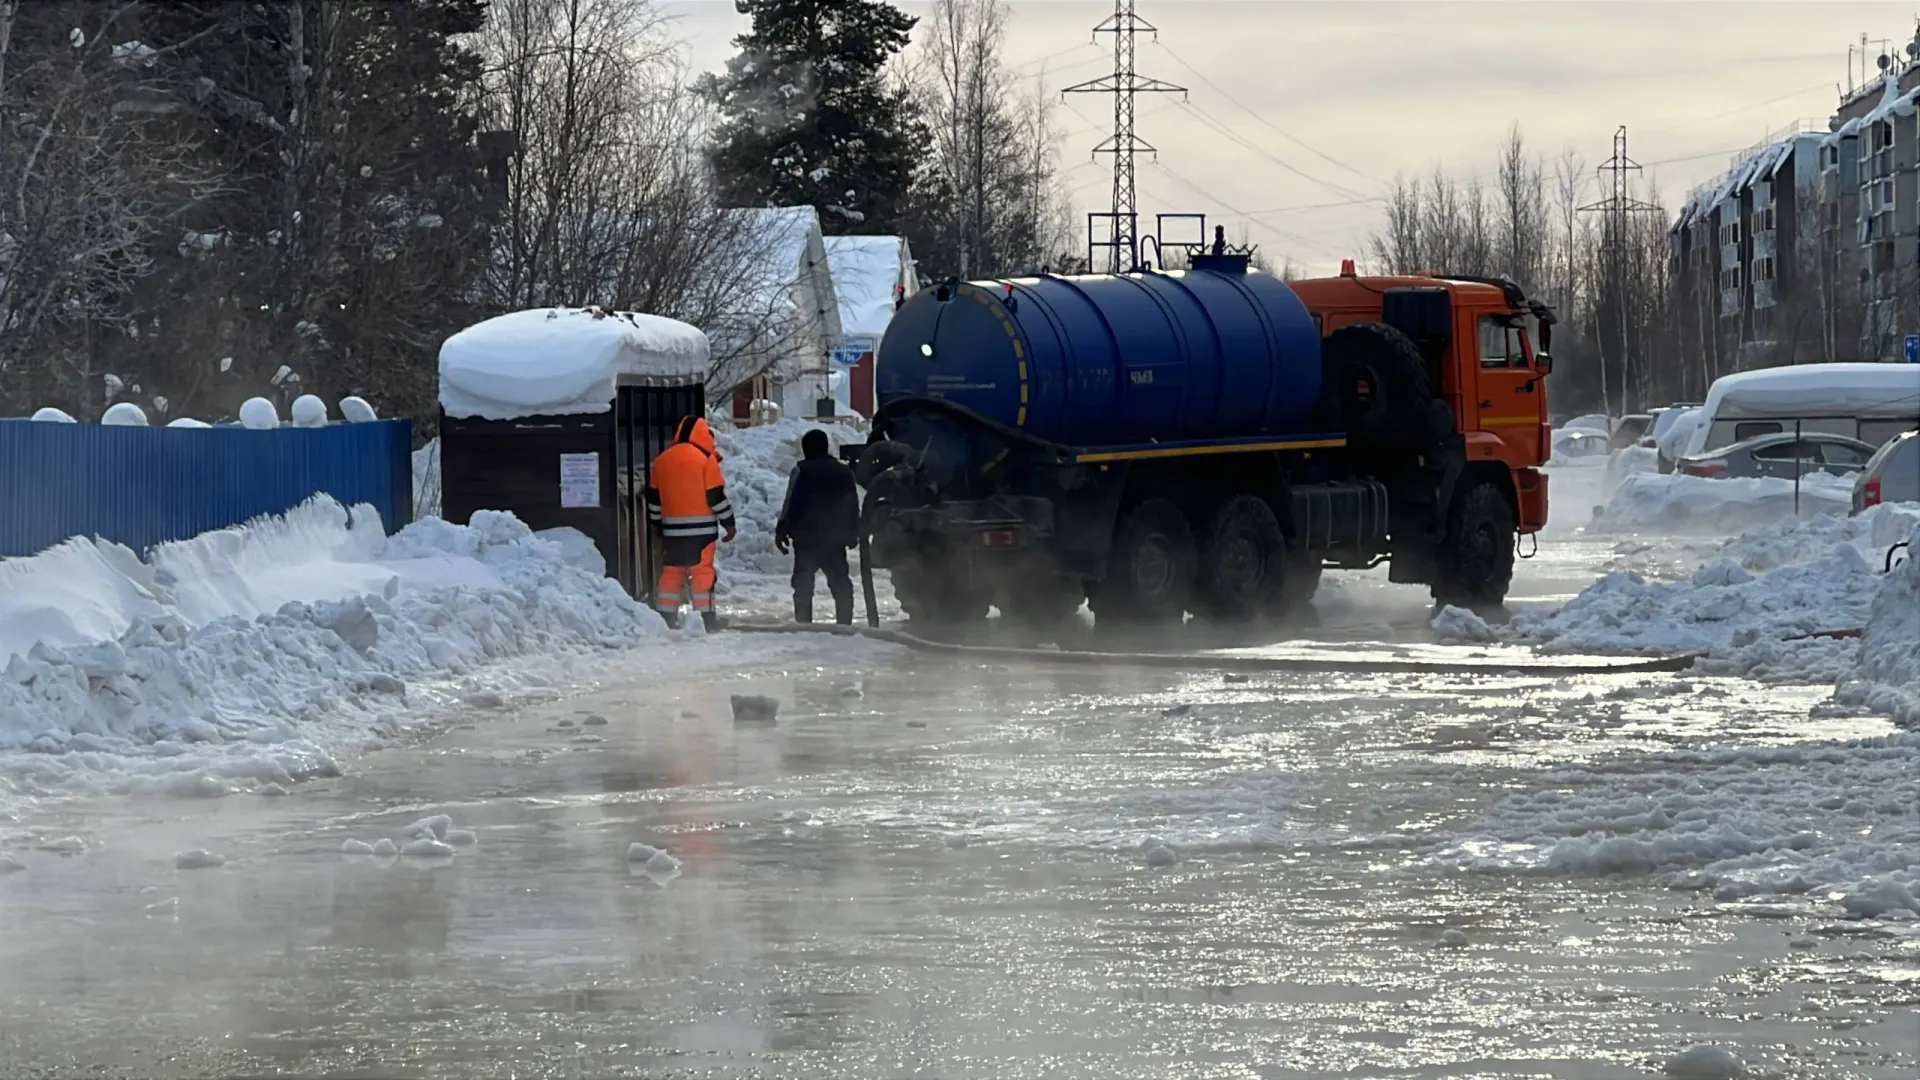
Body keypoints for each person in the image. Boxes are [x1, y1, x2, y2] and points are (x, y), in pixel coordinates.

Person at [644, 416, 735, 631]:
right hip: (702, 532)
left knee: (672, 572)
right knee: (702, 573)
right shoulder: (705, 460)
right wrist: (729, 523)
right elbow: (716, 497)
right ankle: (706, 620)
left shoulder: (661, 461)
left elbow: (654, 500)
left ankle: (666, 617)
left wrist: (657, 524)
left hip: (672, 532)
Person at [774, 428, 860, 625]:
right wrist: (853, 532)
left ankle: (804, 625)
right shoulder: (844, 471)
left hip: (806, 540)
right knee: (841, 584)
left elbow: (791, 503)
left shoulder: (802, 470)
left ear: (806, 449)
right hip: (835, 539)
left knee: (803, 583)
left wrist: (782, 530)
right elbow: (853, 504)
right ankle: (844, 624)